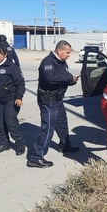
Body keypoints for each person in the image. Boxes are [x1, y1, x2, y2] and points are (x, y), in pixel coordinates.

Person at [27, 40, 80, 168]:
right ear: (59, 50)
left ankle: (65, 145)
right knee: (47, 128)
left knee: (62, 123)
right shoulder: (48, 62)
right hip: (48, 100)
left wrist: (72, 80)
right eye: (67, 52)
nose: (69, 55)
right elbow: (51, 79)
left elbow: (63, 77)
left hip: (57, 99)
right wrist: (69, 78)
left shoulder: (61, 62)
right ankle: (36, 157)